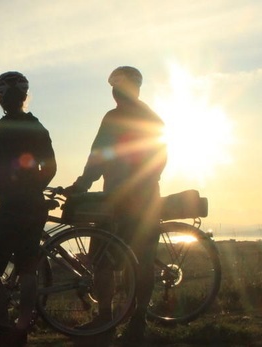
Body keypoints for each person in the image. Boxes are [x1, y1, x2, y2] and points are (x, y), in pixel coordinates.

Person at [64, 66, 167, 342]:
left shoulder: (117, 118)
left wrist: (82, 185)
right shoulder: (151, 118)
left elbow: (99, 156)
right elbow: (160, 160)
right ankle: (129, 319)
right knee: (130, 262)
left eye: (118, 87)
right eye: (113, 87)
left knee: (114, 261)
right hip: (142, 199)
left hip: (124, 200)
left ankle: (113, 318)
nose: (115, 93)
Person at [0, 71, 57, 347]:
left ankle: (4, 327)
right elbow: (50, 168)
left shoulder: (7, 126)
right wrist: (33, 189)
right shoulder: (37, 126)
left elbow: (6, 168)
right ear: (25, 96)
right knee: (27, 269)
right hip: (34, 207)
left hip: (12, 209)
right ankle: (21, 331)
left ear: (2, 97)